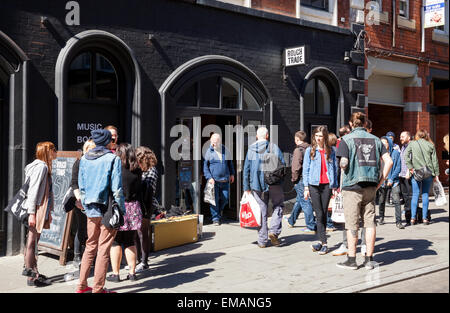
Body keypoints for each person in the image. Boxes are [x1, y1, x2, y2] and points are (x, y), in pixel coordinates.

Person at [336, 112, 393, 270]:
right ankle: (369, 260)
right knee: (370, 223)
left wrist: (344, 164)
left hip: (352, 188)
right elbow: (389, 161)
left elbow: (343, 163)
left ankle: (352, 260)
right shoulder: (376, 140)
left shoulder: (345, 140)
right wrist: (380, 182)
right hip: (371, 187)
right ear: (364, 123)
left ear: (351, 123)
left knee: (352, 224)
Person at [77, 129, 125, 294]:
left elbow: (81, 187)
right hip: (107, 209)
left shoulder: (84, 158)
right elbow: (117, 189)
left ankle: (82, 286)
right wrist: (121, 209)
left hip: (90, 209)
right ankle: (98, 288)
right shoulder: (113, 159)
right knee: (104, 249)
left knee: (90, 246)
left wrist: (85, 204)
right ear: (107, 142)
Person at [243, 127, 285, 248]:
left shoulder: (251, 150)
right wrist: (280, 181)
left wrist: (246, 187)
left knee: (261, 210)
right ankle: (274, 231)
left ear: (257, 136)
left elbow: (246, 169)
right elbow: (282, 165)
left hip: (256, 184)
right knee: (278, 205)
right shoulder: (273, 147)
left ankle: (262, 240)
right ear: (267, 136)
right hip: (273, 183)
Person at [108, 143, 144, 282]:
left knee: (116, 242)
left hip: (119, 208)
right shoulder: (137, 170)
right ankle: (132, 272)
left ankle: (116, 274)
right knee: (130, 241)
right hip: (134, 208)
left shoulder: (117, 169)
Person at [22, 142, 56, 287]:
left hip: (39, 209)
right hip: (36, 210)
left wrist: (50, 211)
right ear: (47, 152)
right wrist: (32, 213)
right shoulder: (41, 167)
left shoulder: (39, 166)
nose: (56, 152)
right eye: (54, 150)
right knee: (32, 242)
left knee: (32, 242)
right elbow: (33, 191)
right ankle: (31, 277)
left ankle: (33, 271)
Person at [303, 126, 338, 255]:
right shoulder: (309, 150)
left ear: (325, 137)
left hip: (327, 185)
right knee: (319, 214)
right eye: (316, 136)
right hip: (313, 185)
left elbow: (335, 169)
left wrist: (334, 186)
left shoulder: (331, 151)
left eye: (320, 136)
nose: (318, 138)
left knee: (323, 212)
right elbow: (305, 169)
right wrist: (306, 187)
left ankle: (320, 241)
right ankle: (324, 243)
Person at [404, 129, 440, 225]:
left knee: (415, 195)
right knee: (425, 195)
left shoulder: (412, 144)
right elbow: (435, 161)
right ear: (426, 135)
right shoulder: (431, 145)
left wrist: (410, 167)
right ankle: (424, 218)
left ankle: (412, 218)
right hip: (428, 172)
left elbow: (406, 155)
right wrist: (436, 174)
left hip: (416, 172)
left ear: (417, 135)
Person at [71, 139, 96, 268]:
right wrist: (78, 199)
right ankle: (77, 256)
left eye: (94, 149)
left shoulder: (97, 163)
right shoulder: (79, 162)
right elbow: (74, 182)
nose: (92, 151)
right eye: (89, 149)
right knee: (81, 227)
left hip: (94, 201)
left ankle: (91, 257)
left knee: (92, 230)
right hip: (80, 200)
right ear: (85, 150)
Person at [286, 131, 316, 233]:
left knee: (304, 201)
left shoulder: (298, 150)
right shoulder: (311, 148)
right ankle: (291, 220)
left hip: (301, 179)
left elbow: (295, 167)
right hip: (309, 178)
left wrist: (294, 179)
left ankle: (311, 226)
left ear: (297, 139)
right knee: (300, 199)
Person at [135, 146, 159, 272]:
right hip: (139, 203)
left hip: (146, 204)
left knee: (143, 233)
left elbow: (148, 191)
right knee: (136, 232)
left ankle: (144, 262)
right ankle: (138, 259)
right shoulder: (141, 170)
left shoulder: (151, 171)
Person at [203, 133, 235, 226]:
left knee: (225, 199)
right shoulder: (208, 152)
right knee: (214, 200)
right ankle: (215, 218)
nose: (214, 144)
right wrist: (209, 178)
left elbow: (230, 163)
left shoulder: (226, 150)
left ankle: (218, 212)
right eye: (212, 142)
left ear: (220, 142)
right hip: (214, 181)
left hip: (225, 180)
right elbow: (205, 167)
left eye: (216, 142)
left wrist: (232, 174)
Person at [378, 136, 404, 229]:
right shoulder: (378, 153)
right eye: (381, 143)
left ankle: (399, 221)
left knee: (397, 201)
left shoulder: (396, 153)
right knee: (381, 201)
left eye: (385, 142)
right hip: (382, 180)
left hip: (394, 180)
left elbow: (398, 167)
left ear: (389, 143)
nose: (383, 144)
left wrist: (391, 179)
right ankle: (381, 217)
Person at [399, 131, 413, 225]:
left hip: (408, 175)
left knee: (409, 195)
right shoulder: (403, 147)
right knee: (404, 195)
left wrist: (409, 171)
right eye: (400, 136)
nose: (401, 138)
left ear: (408, 137)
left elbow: (411, 160)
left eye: (403, 136)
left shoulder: (411, 146)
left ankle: (409, 214)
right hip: (402, 175)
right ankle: (407, 212)